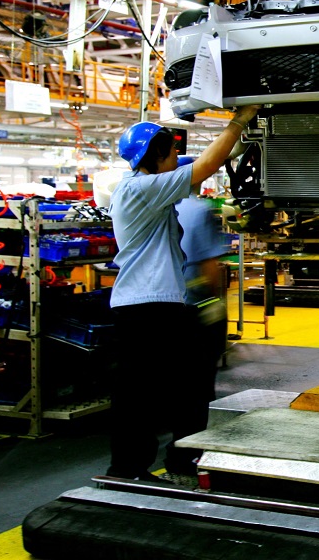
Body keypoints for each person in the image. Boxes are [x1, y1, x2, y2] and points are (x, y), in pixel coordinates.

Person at [106, 104, 259, 482]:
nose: (177, 155)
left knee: (180, 386)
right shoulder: (141, 189)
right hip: (147, 307)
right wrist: (241, 117)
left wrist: (244, 141)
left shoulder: (146, 181)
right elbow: (203, 166)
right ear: (156, 155)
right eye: (171, 150)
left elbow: (204, 158)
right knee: (162, 391)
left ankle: (172, 459)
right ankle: (135, 467)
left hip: (155, 305)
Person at [176, 189, 233, 411]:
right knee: (199, 377)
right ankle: (191, 432)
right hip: (196, 304)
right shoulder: (199, 209)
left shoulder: (158, 206)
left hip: (166, 302)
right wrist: (215, 300)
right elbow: (208, 263)